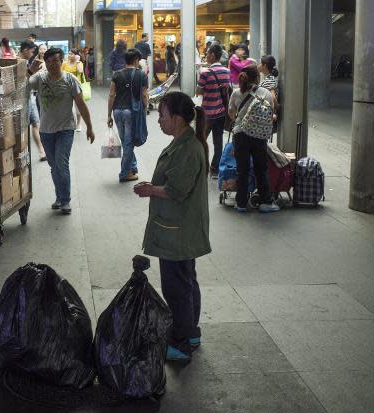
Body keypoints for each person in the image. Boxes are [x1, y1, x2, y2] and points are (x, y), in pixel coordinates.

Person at [134, 91, 210, 362]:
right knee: (186, 282)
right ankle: (190, 333)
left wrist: (150, 190)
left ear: (177, 118)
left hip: (177, 232)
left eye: (162, 115)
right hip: (180, 229)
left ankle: (180, 343)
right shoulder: (184, 142)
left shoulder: (187, 148)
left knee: (176, 288)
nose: (158, 121)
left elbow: (177, 190)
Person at [27, 47, 95, 215]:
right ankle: (59, 197)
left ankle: (65, 200)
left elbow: (81, 104)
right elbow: (21, 88)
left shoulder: (70, 80)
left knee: (61, 164)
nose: (52, 65)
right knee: (54, 166)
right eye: (48, 61)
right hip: (45, 130)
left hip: (66, 129)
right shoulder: (40, 78)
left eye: (55, 61)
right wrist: (29, 71)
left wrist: (89, 127)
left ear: (61, 62)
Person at [227, 65, 279, 213]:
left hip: (240, 134)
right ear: (257, 78)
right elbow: (270, 115)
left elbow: (231, 114)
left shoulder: (237, 93)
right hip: (259, 136)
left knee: (242, 170)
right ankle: (266, 202)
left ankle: (241, 203)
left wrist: (241, 117)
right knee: (261, 169)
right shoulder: (266, 93)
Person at [107, 49, 148, 182]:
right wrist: (146, 107)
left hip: (117, 111)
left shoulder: (117, 74)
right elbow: (144, 94)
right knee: (129, 143)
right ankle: (125, 174)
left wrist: (109, 115)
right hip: (132, 112)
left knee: (126, 142)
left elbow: (111, 95)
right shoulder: (141, 74)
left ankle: (132, 167)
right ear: (136, 60)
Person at [196, 44, 231, 178]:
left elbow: (198, 91)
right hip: (221, 113)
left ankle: (202, 167)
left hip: (206, 114)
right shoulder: (226, 72)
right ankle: (215, 169)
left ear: (212, 55)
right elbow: (227, 90)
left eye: (207, 53)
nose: (206, 55)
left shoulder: (205, 73)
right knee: (218, 142)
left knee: (201, 141)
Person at [17, 41, 47, 161]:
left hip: (30, 97)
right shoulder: (17, 61)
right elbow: (20, 82)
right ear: (25, 50)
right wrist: (32, 71)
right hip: (21, 99)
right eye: (32, 51)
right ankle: (23, 154)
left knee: (36, 123)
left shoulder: (27, 61)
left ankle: (41, 151)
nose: (33, 53)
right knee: (23, 127)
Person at [62, 49, 86, 131]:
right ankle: (69, 123)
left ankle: (79, 124)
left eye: (71, 54)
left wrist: (78, 61)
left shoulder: (79, 63)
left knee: (78, 108)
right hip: (66, 87)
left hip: (76, 87)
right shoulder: (64, 64)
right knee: (66, 107)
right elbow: (61, 73)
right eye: (68, 54)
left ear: (76, 55)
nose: (69, 55)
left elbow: (80, 71)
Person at [258, 55, 281, 130]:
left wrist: (277, 108)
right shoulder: (269, 78)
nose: (258, 65)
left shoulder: (269, 80)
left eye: (260, 63)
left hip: (265, 115)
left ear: (265, 65)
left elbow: (273, 97)